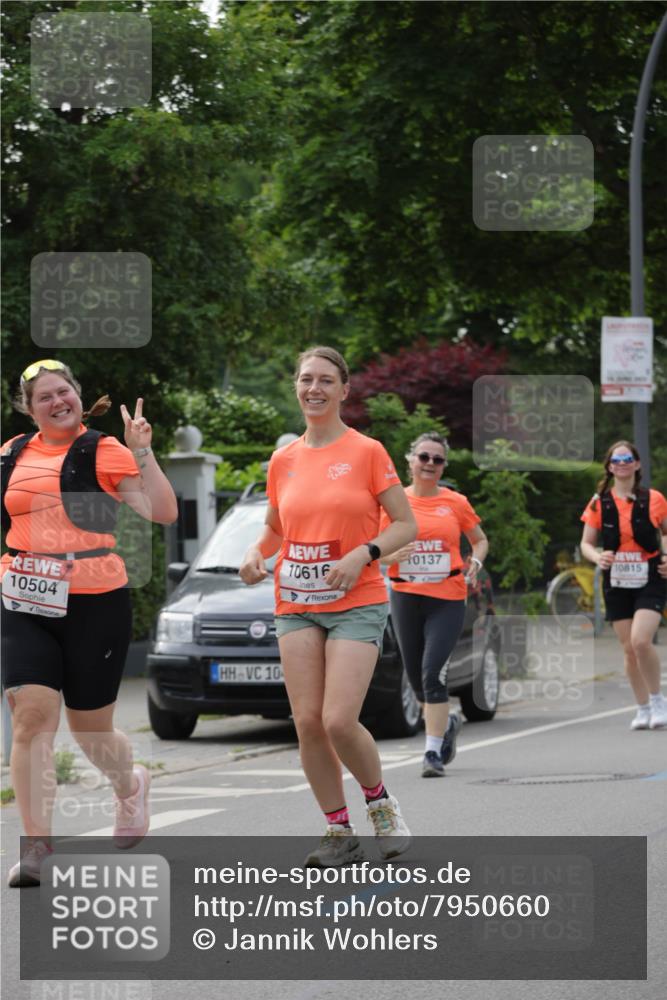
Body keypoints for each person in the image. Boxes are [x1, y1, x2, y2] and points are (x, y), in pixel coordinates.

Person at [1, 359, 178, 886]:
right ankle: (36, 845)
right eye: (44, 398)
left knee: (90, 729)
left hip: (95, 602)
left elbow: (162, 511)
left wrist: (141, 448)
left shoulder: (105, 450)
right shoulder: (11, 454)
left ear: (78, 395)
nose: (57, 402)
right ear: (28, 409)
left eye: (64, 392)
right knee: (30, 718)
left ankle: (129, 785)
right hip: (24, 602)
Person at [239, 346, 417, 866]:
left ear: (344, 390)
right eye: (304, 379)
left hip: (356, 599)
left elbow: (406, 524)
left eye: (325, 380)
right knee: (308, 721)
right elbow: (276, 528)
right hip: (295, 601)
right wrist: (255, 552)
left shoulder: (367, 452)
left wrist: (365, 552)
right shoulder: (284, 459)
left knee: (339, 719)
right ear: (295, 386)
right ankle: (339, 831)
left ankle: (379, 803)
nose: (313, 388)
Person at [381, 432, 488, 777]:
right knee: (415, 677)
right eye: (424, 457)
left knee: (432, 673)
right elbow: (375, 547)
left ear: (444, 466)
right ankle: (447, 724)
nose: (429, 464)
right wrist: (391, 555)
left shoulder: (455, 502)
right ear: (410, 460)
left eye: (437, 460)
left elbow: (479, 539)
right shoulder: (393, 503)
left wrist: (476, 560)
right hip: (405, 596)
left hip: (447, 598)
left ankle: (432, 754)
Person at [580, 440, 667, 730]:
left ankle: (657, 700)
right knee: (629, 648)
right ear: (609, 466)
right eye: (616, 460)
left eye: (627, 459)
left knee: (642, 640)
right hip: (616, 578)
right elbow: (586, 543)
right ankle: (642, 708)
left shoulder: (653, 498)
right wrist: (597, 557)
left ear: (637, 464)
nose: (622, 464)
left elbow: (665, 533)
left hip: (651, 575)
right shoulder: (599, 502)